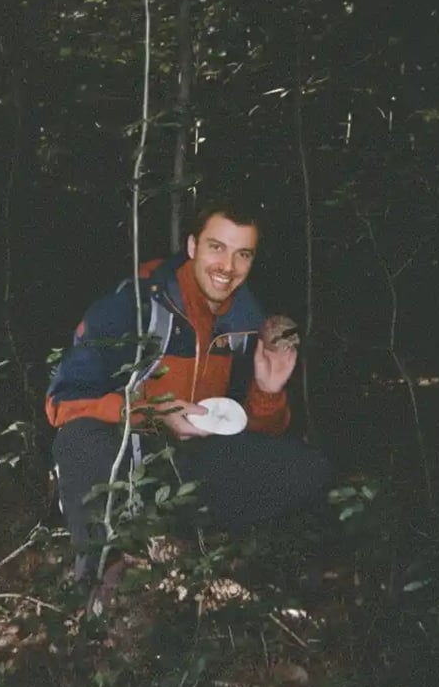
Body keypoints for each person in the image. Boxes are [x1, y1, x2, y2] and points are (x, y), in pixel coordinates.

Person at [46, 197, 331, 582]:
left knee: (309, 469)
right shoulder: (132, 305)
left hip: (193, 463)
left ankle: (200, 546)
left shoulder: (246, 322)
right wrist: (156, 413)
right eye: (217, 248)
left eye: (242, 254)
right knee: (79, 439)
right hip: (126, 454)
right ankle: (103, 569)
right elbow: (63, 401)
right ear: (193, 246)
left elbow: (249, 433)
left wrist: (268, 389)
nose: (228, 268)